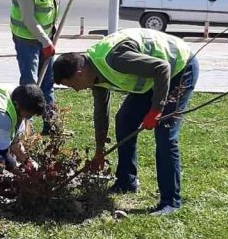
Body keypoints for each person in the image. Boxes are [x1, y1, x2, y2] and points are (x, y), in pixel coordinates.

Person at [52, 29, 199, 216]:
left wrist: (156, 110)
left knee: (165, 133)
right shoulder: (94, 74)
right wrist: (99, 150)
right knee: (125, 121)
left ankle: (171, 202)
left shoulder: (116, 59)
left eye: (72, 85)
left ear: (80, 73)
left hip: (179, 68)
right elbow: (101, 112)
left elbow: (162, 68)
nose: (76, 90)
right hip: (151, 77)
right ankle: (126, 182)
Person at [11, 0, 89, 132]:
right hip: (27, 39)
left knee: (48, 82)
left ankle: (51, 125)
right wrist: (46, 42)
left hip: (47, 37)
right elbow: (28, 18)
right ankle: (25, 129)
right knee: (30, 85)